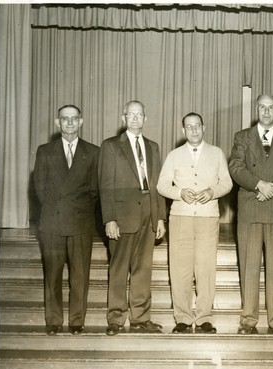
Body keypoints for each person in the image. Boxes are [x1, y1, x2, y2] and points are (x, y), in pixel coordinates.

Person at [229, 94, 273, 335]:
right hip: (250, 206)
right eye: (262, 107)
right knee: (249, 265)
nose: (267, 112)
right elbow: (236, 167)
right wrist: (259, 184)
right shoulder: (242, 137)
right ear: (256, 110)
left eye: (271, 108)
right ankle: (248, 320)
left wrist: (272, 189)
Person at [157, 113, 233, 334]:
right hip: (180, 217)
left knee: (206, 268)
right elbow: (162, 186)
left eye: (197, 126)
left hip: (208, 217)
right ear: (183, 131)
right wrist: (180, 193)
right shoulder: (173, 155)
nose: (193, 130)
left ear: (204, 127)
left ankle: (204, 317)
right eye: (189, 127)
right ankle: (182, 317)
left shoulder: (217, 153)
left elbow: (227, 183)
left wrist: (212, 192)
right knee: (180, 268)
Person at [98, 100, 166, 336]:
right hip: (122, 216)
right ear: (123, 118)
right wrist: (110, 219)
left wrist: (160, 218)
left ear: (146, 118)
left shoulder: (153, 147)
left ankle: (140, 318)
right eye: (131, 114)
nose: (135, 118)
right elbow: (105, 185)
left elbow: (157, 185)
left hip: (149, 213)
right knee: (118, 269)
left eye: (140, 115)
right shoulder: (110, 146)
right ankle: (115, 319)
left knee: (143, 269)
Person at [34, 105, 99, 335]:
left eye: (74, 119)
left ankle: (76, 320)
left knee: (79, 275)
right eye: (65, 119)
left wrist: (77, 209)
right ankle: (53, 320)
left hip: (80, 223)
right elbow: (40, 189)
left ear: (81, 122)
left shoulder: (93, 152)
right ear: (57, 123)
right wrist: (57, 209)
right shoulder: (45, 151)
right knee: (52, 274)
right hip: (52, 223)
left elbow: (94, 191)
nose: (69, 123)